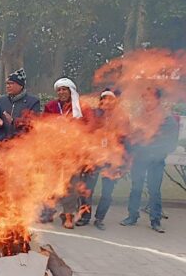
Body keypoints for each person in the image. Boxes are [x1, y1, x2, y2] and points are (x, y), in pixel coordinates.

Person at [121, 87, 179, 233]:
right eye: (144, 98)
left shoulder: (167, 119)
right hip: (139, 159)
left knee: (154, 190)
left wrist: (157, 153)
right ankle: (132, 216)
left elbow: (171, 142)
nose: (146, 101)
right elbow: (130, 137)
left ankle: (155, 220)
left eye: (149, 98)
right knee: (136, 188)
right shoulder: (139, 117)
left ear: (157, 100)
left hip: (156, 161)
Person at [42, 77, 88, 229]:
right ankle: (48, 212)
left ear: (71, 91)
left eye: (64, 89)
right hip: (54, 151)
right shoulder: (51, 106)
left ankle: (68, 216)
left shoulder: (81, 108)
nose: (61, 92)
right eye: (59, 90)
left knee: (71, 185)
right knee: (51, 183)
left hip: (73, 153)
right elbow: (44, 126)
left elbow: (88, 129)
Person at [76, 89, 126, 230]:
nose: (106, 102)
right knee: (87, 189)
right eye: (104, 98)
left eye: (110, 99)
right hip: (93, 158)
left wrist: (121, 161)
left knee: (107, 192)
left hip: (111, 159)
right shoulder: (93, 114)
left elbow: (125, 140)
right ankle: (85, 216)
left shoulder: (121, 118)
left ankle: (100, 219)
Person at [0, 68, 41, 140]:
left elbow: (34, 122)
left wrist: (14, 121)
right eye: (7, 84)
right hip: (3, 142)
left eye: (11, 83)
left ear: (21, 86)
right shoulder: (1, 101)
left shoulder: (33, 101)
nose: (8, 86)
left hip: (23, 142)